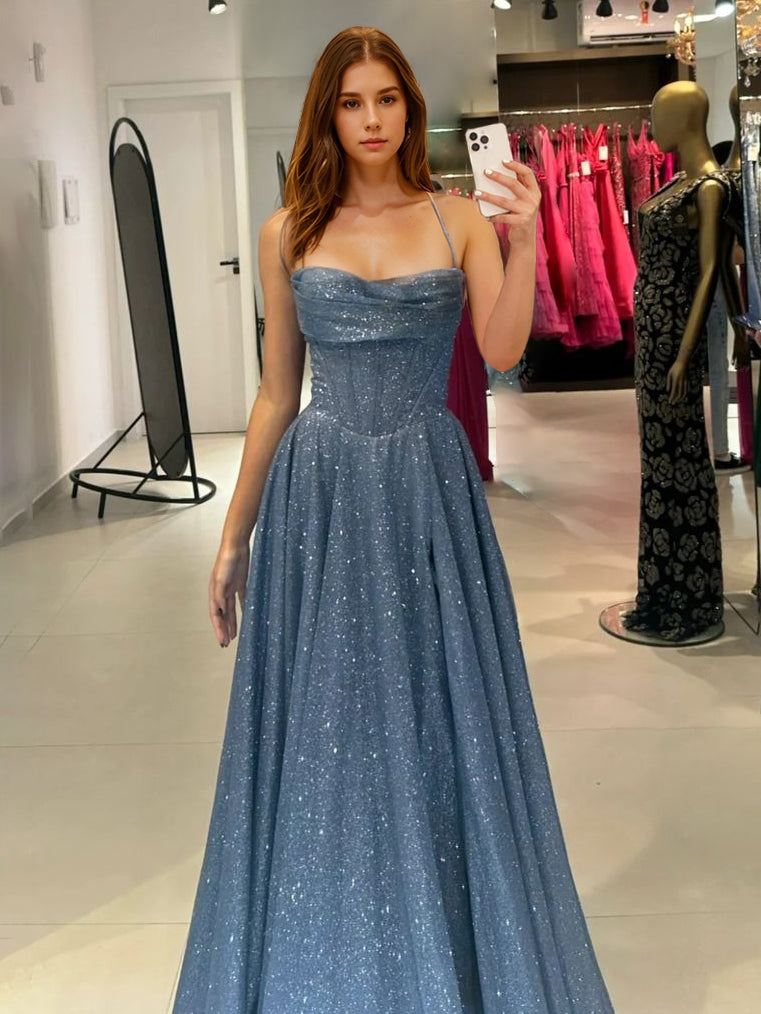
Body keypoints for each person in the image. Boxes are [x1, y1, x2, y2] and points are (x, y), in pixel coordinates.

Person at [172, 26, 615, 1014]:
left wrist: (524, 237)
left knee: (436, 709)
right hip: (321, 495)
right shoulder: (287, 231)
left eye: (386, 99)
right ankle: (326, 949)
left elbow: (502, 352)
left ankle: (442, 936)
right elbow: (275, 395)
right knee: (323, 722)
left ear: (409, 108)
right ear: (326, 114)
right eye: (350, 102)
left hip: (425, 490)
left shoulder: (455, 219)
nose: (370, 119)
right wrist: (235, 536)